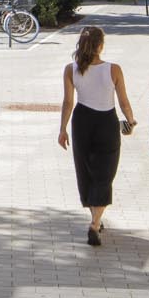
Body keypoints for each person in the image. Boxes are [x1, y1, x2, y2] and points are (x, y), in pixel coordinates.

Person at [57, 25, 136, 246]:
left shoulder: (70, 69)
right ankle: (95, 222)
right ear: (101, 46)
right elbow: (124, 101)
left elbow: (67, 103)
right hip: (106, 121)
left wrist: (62, 129)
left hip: (81, 120)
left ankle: (95, 219)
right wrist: (130, 121)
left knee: (86, 170)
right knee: (105, 171)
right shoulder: (114, 69)